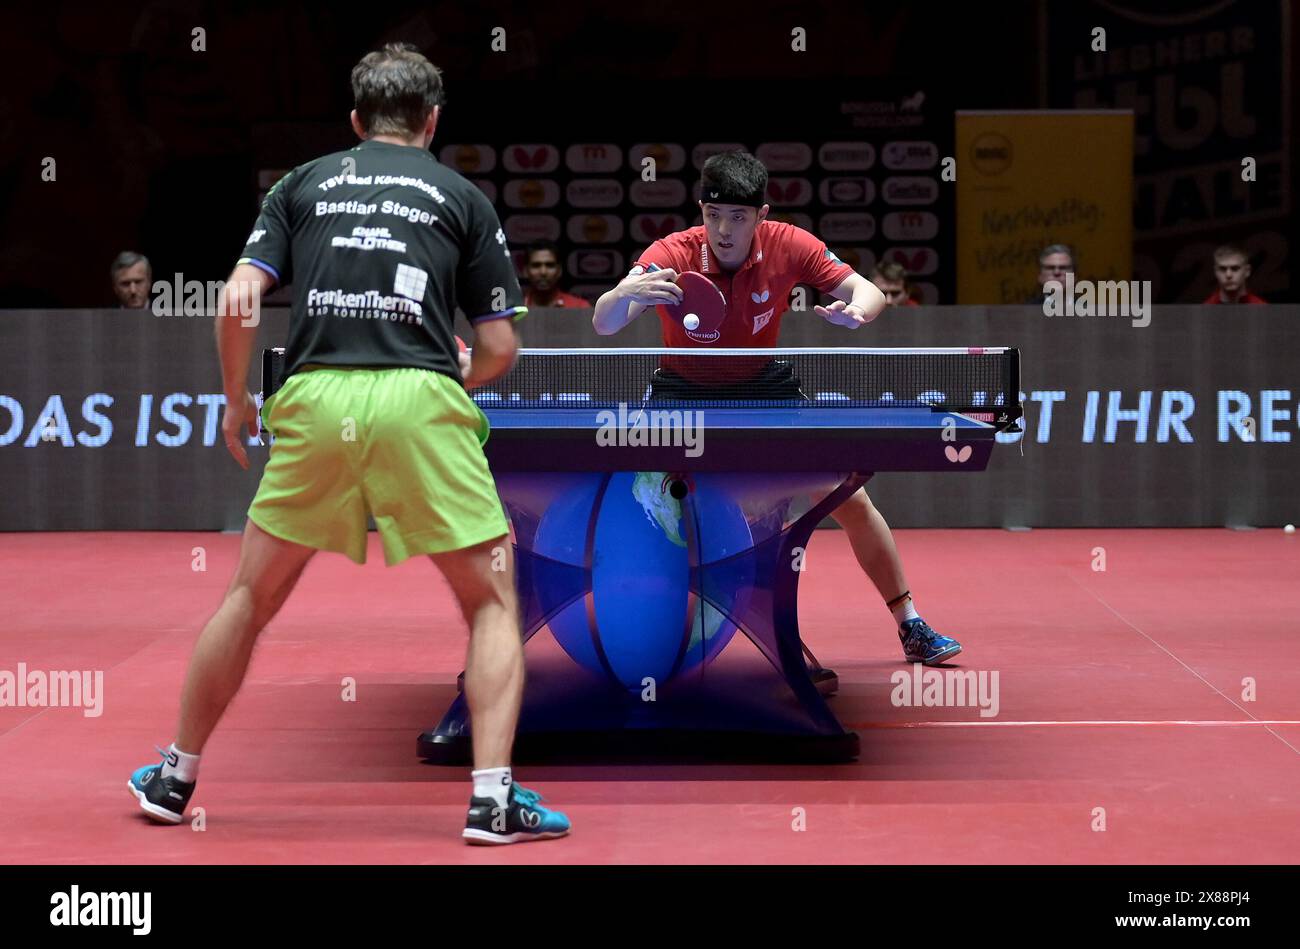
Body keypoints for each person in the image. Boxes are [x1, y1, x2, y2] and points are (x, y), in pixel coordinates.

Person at [128, 43, 570, 846]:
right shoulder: (461, 195)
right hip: (420, 398)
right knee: (491, 601)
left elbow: (237, 296)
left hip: (316, 397)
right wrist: (448, 388)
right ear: (432, 121)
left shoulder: (302, 182)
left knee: (249, 597)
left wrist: (235, 402)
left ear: (356, 120)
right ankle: (493, 801)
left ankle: (175, 776)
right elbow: (501, 348)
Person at [592, 150, 962, 667]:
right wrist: (622, 294)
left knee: (849, 498)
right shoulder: (672, 252)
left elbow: (867, 290)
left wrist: (859, 313)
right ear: (702, 209)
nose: (723, 229)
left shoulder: (789, 245)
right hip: (681, 392)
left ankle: (912, 624)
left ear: (761, 216)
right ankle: (673, 637)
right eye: (713, 214)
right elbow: (604, 324)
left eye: (738, 218)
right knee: (670, 516)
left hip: (762, 387)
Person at [521, 239, 590, 308]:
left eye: (550, 265)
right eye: (536, 265)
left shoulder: (579, 306)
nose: (543, 272)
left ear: (559, 270)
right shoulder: (514, 310)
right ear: (525, 271)